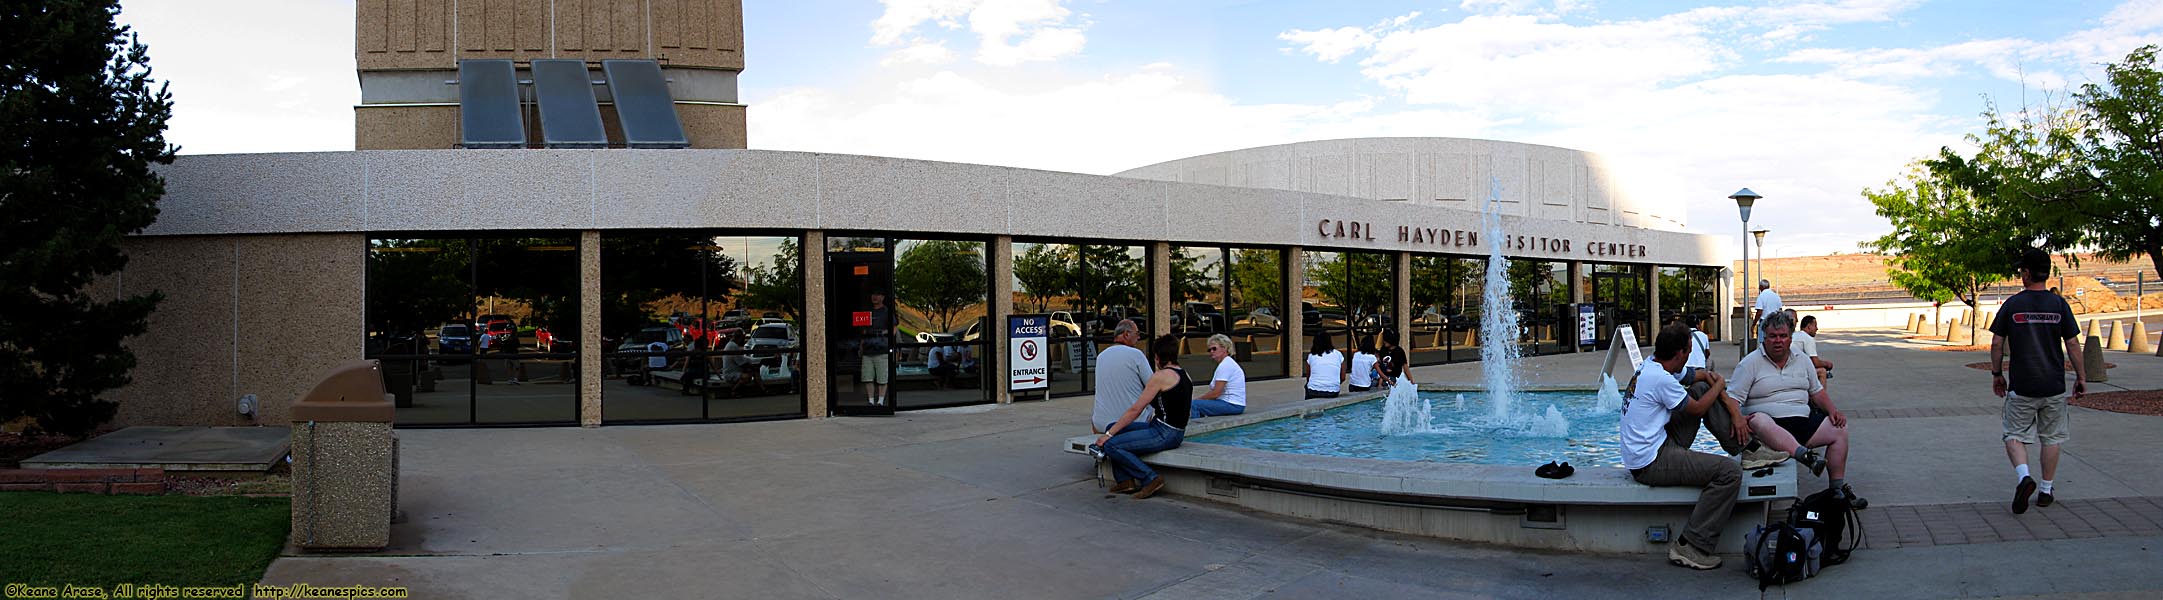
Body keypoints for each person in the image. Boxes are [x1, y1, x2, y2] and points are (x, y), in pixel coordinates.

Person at [1624, 322, 1743, 570]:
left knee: (1700, 388)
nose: (1690, 354)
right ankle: (1691, 545)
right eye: (1689, 350)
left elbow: (1693, 376)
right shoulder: (1659, 379)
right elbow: (1698, 409)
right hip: (1651, 462)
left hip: (1655, 445)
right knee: (1729, 473)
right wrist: (1720, 386)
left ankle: (1745, 448)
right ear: (1679, 353)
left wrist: (1709, 380)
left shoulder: (1653, 364)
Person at [1732, 310, 1866, 509]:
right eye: (1773, 336)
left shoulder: (1802, 360)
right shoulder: (1750, 363)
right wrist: (1738, 419)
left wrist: (1833, 410)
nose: (1778, 341)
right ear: (1764, 337)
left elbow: (1817, 392)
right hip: (1767, 428)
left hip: (1801, 420)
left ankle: (1836, 490)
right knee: (1758, 419)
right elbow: (1732, 399)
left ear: (1790, 337)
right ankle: (1805, 456)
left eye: (1783, 336)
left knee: (1839, 430)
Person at [1989, 247, 2085, 514]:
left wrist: (1997, 374)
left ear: (2028, 274)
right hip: (2053, 385)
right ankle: (2045, 489)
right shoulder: (2058, 305)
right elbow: (2073, 344)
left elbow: (1997, 342)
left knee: (2014, 435)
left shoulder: (2013, 304)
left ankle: (2024, 477)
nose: (2021, 274)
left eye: (2022, 270)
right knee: (2051, 438)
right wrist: (2081, 376)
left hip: (2023, 385)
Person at [1090, 334, 1195, 499]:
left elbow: (1136, 409)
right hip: (1170, 429)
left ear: (1157, 357)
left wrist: (1106, 436)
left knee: (1112, 444)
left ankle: (1150, 478)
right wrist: (1112, 431)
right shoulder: (1184, 374)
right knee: (1113, 426)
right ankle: (1125, 481)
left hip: (1165, 433)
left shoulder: (1160, 377)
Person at [1092, 319, 1153, 433]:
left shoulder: (1101, 356)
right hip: (1132, 423)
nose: (1138, 338)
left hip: (1100, 423)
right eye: (1137, 333)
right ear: (1126, 334)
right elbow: (1153, 386)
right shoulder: (1136, 355)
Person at [1190, 333, 1247, 418]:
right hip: (1233, 404)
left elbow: (1216, 393)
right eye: (1209, 350)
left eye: (1214, 348)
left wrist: (1198, 399)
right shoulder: (1227, 363)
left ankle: (1194, 428)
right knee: (1199, 405)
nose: (1211, 352)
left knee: (1194, 405)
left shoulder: (1225, 365)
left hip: (1232, 404)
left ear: (1224, 348)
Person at [860, 291, 894, 406]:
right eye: (873, 294)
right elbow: (864, 330)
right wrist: (861, 345)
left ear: (883, 297)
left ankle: (880, 401)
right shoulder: (867, 311)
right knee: (867, 377)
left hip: (882, 350)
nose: (874, 297)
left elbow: (894, 329)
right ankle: (870, 401)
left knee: (882, 377)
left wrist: (884, 334)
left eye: (878, 294)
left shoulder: (887, 312)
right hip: (868, 350)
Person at [1304, 332, 1346, 398]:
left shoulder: (1311, 355)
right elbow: (1343, 377)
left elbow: (1308, 376)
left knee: (1307, 386)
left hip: (1313, 391)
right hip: (1333, 391)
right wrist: (1332, 384)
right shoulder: (1338, 354)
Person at [1795, 314, 1832, 386]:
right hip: (1796, 371)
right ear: (1809, 327)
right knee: (1822, 371)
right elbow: (1816, 363)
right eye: (1815, 325)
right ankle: (1821, 396)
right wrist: (1827, 364)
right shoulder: (1807, 338)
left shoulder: (1795, 335)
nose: (1817, 328)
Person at [1755, 279, 1783, 350]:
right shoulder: (1776, 296)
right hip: (1775, 321)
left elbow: (1759, 312)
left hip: (1764, 321)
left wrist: (1754, 323)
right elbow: (1780, 310)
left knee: (1763, 341)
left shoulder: (1761, 297)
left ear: (1761, 287)